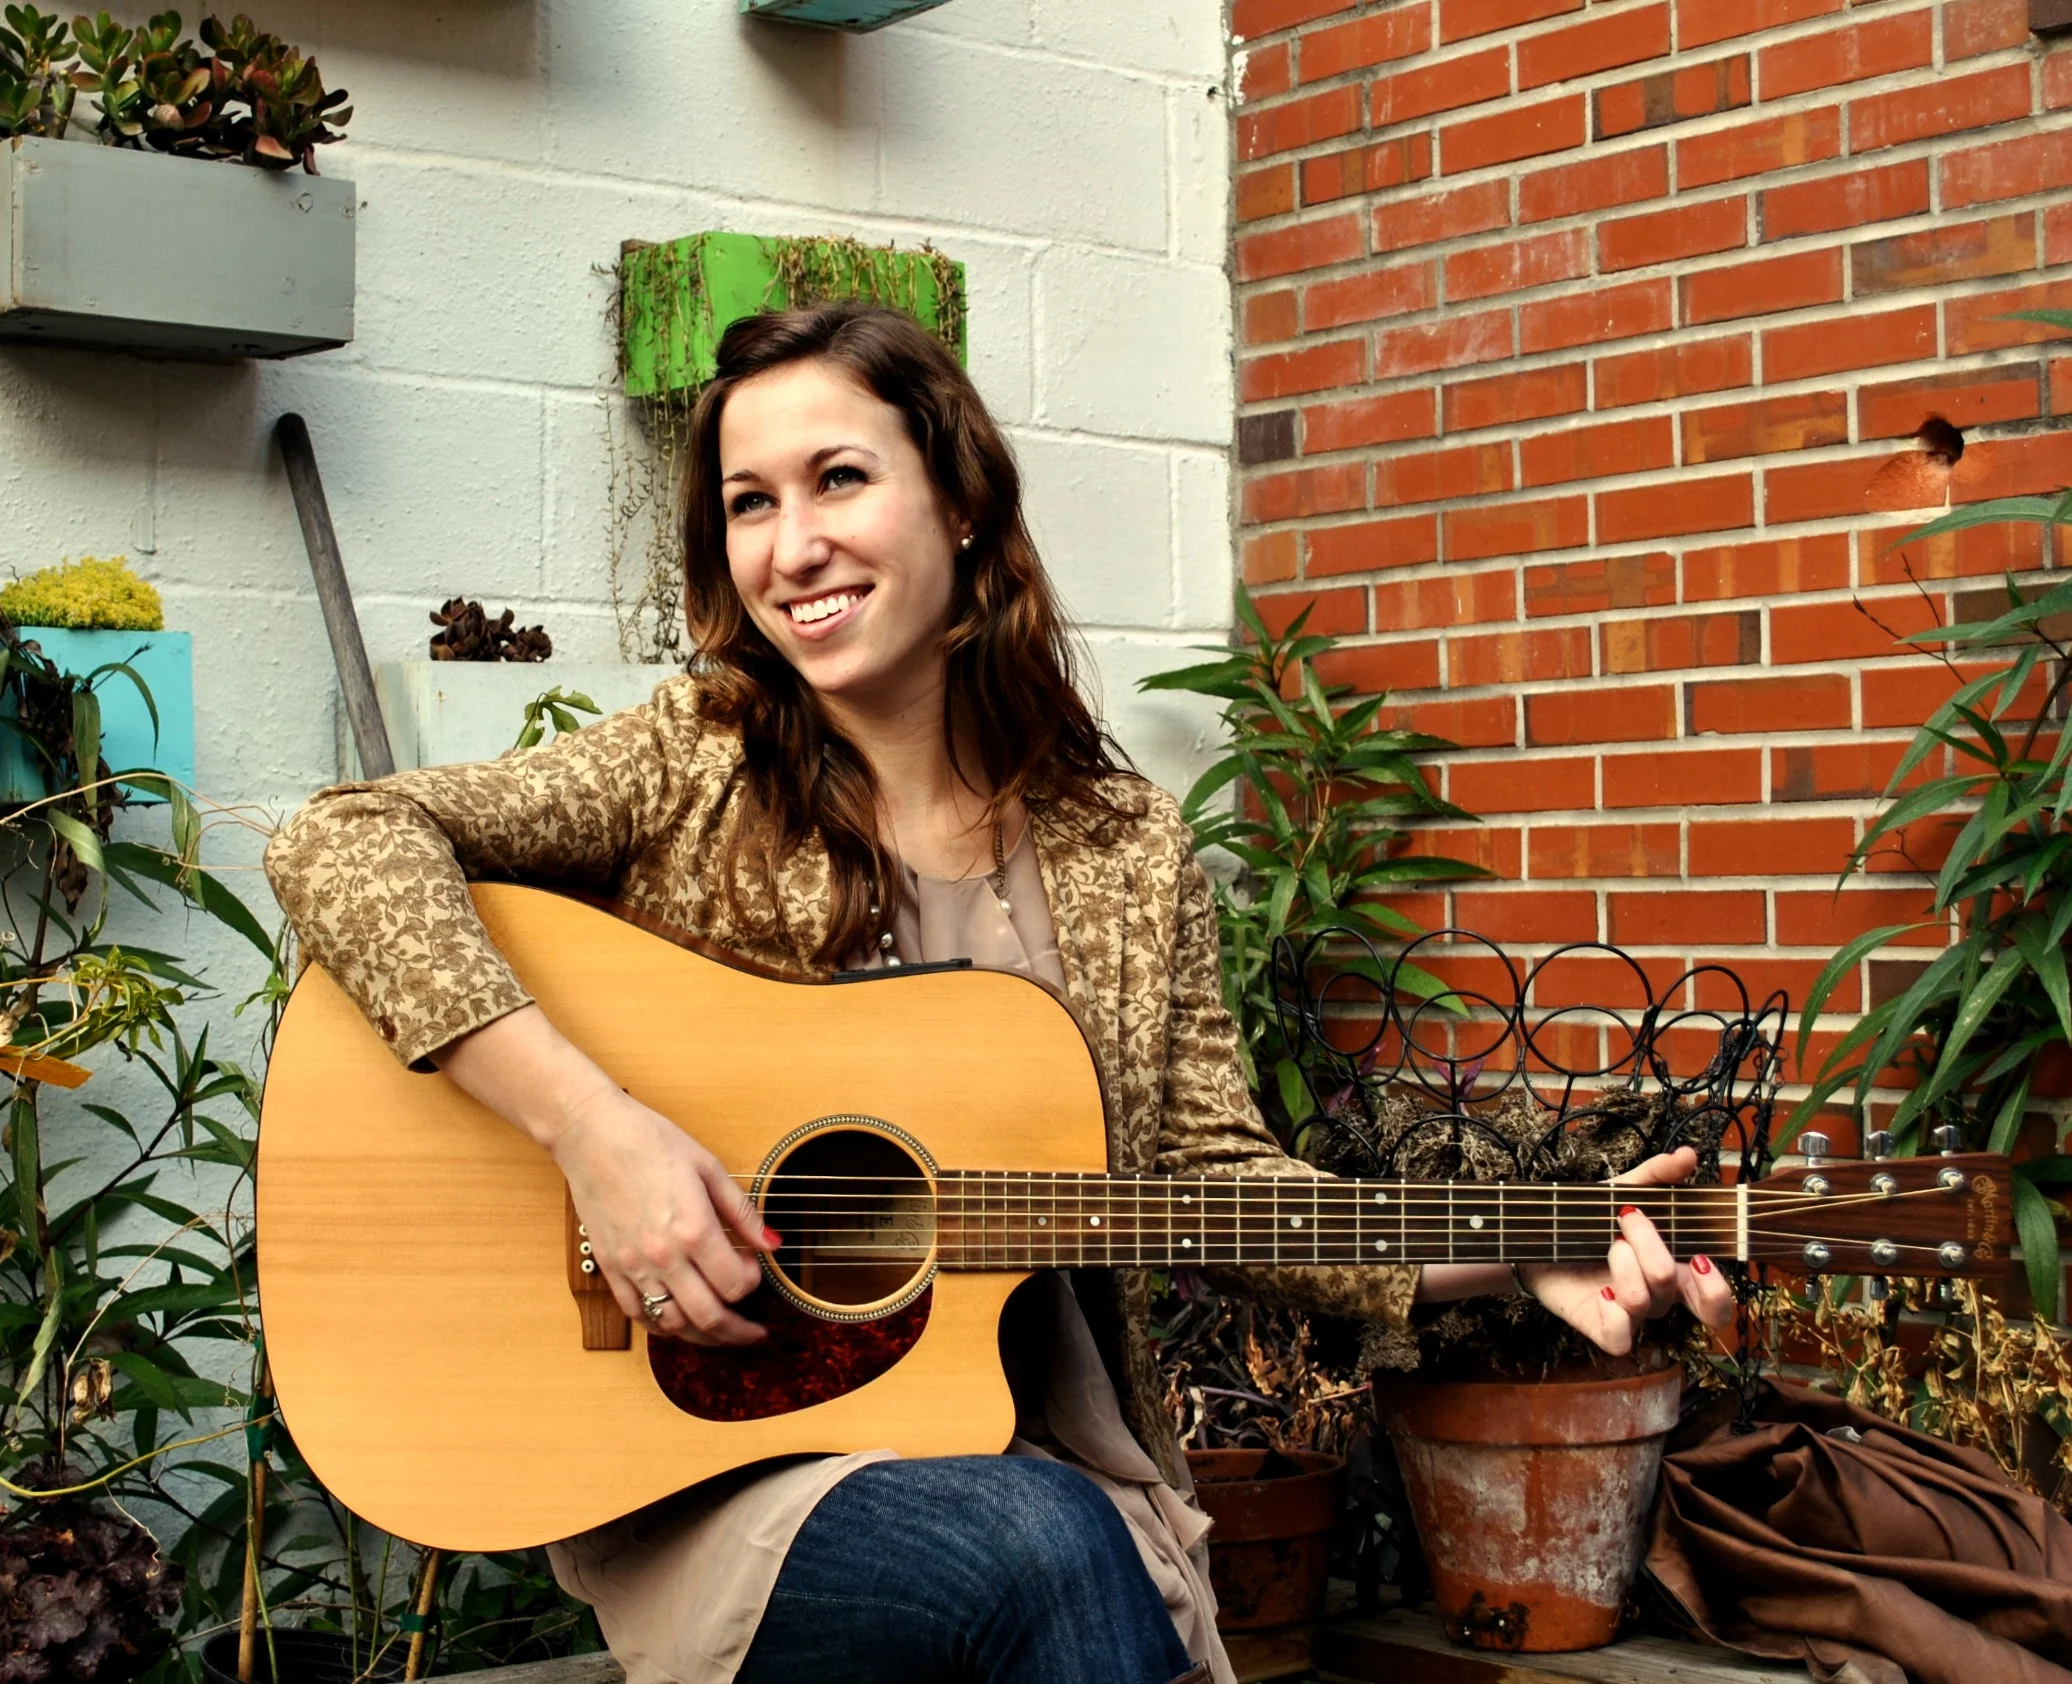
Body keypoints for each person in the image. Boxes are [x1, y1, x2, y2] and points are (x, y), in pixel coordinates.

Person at [263, 303, 1734, 1684]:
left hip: (1024, 1450)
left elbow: (1209, 1183)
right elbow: (340, 840)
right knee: (1041, 1550)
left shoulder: (1122, 845)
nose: (793, 546)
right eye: (750, 502)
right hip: (729, 1475)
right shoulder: (695, 759)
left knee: (1054, 1542)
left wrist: (1520, 1244)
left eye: (839, 479)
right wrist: (596, 1134)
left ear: (961, 502)